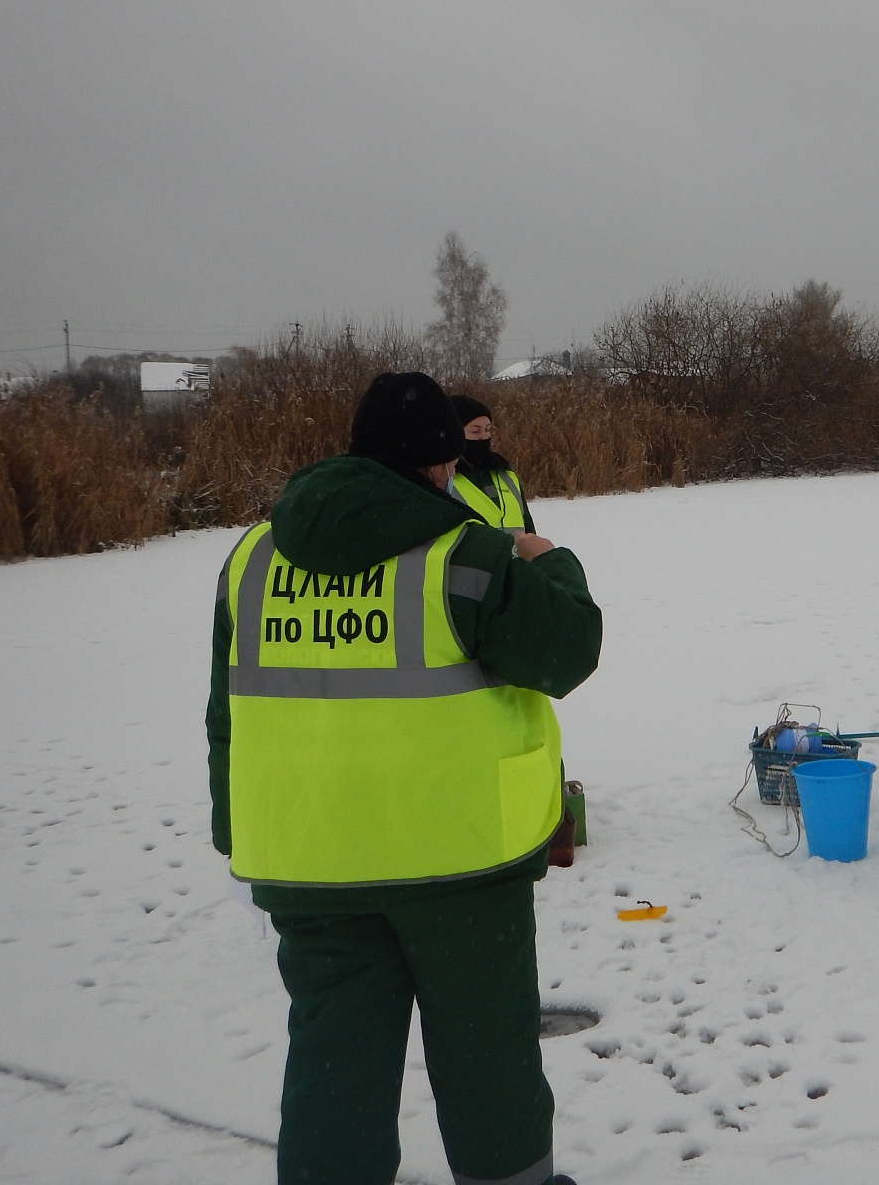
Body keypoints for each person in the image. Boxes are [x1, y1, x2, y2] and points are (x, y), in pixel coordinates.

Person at [206, 371, 600, 1185]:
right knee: (486, 1052)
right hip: (459, 862)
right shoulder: (467, 557)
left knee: (334, 1062)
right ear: (441, 463)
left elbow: (226, 716)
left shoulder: (250, 559)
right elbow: (566, 653)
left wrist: (232, 830)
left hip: (308, 859)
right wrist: (555, 565)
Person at [448, 396, 534, 535]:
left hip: (517, 550)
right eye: (475, 431)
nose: (484, 437)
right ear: (454, 433)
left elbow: (528, 529)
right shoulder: (442, 479)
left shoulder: (505, 473)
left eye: (487, 430)